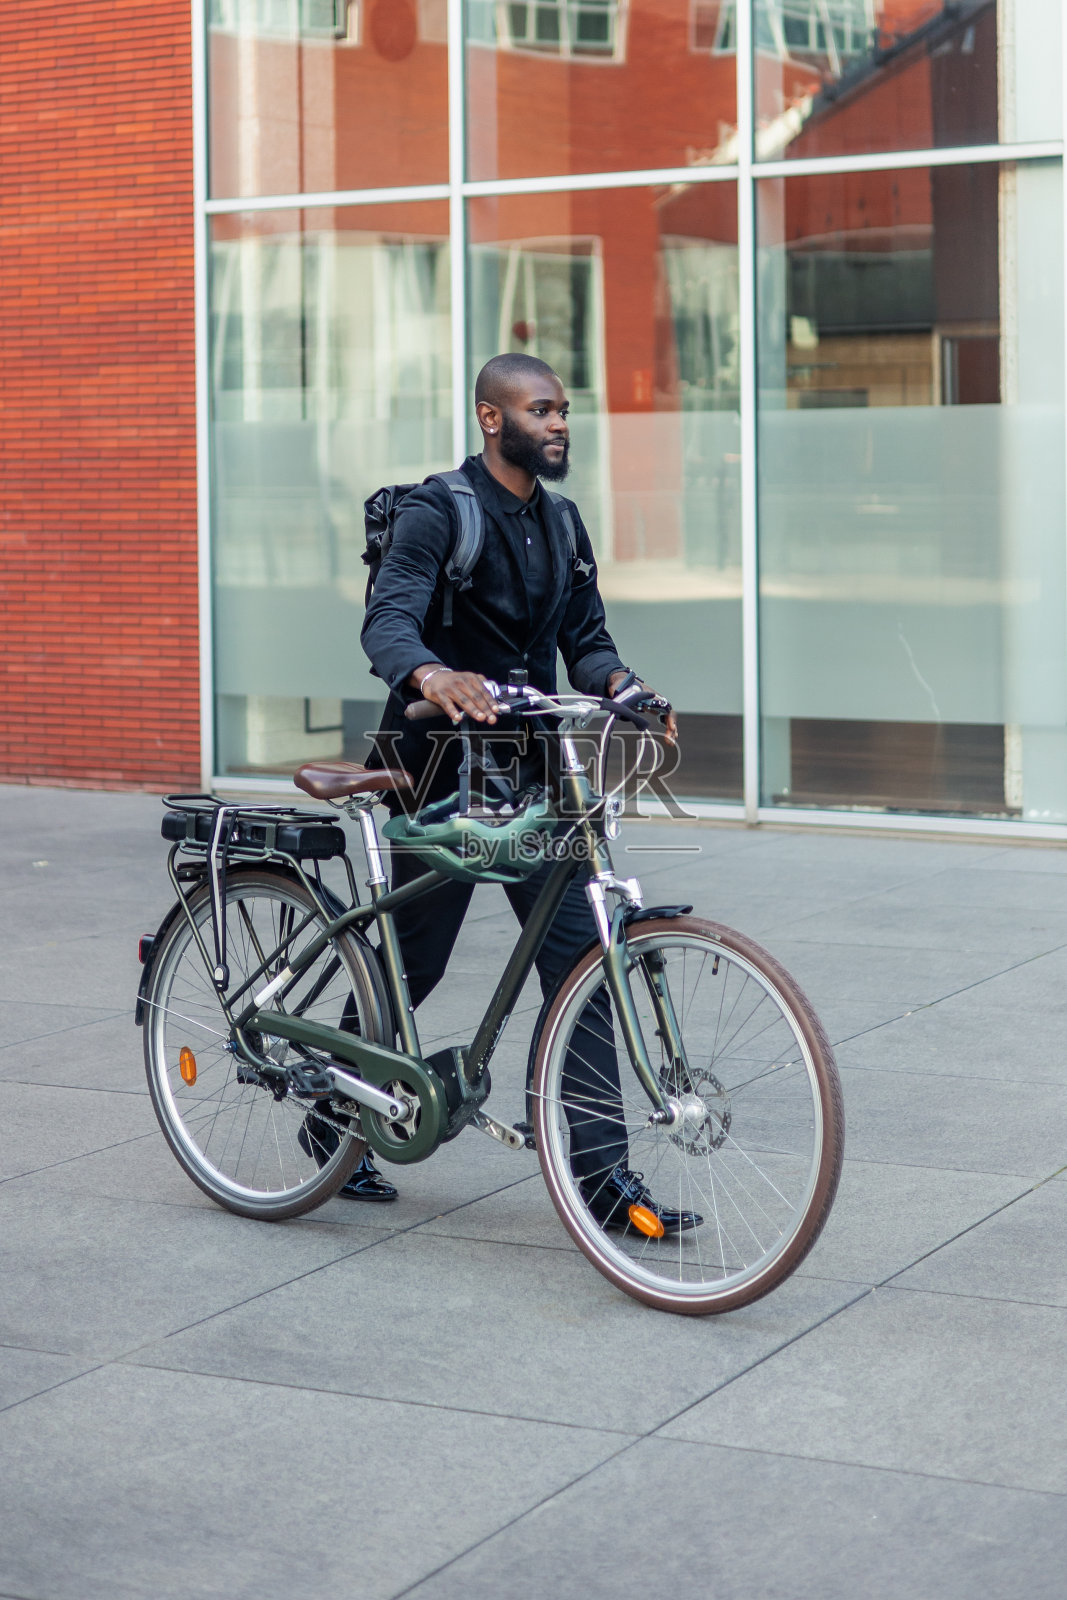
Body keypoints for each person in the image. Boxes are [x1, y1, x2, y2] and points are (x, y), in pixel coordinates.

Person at [319, 353, 699, 1234]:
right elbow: (387, 620)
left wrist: (625, 690)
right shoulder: (435, 512)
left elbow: (586, 640)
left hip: (532, 775)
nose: (559, 423)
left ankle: (603, 1186)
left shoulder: (562, 525)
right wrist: (430, 671)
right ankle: (333, 1118)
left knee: (582, 965)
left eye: (564, 410)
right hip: (433, 769)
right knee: (410, 965)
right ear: (492, 419)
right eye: (541, 410)